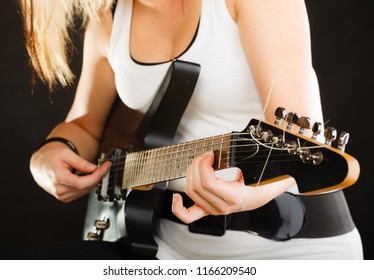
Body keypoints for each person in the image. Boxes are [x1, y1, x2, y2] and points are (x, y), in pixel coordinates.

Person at [18, 0, 363, 259]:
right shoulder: (109, 20)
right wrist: (49, 154)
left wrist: (247, 197)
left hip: (293, 250)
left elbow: (299, 138)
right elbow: (85, 125)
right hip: (164, 248)